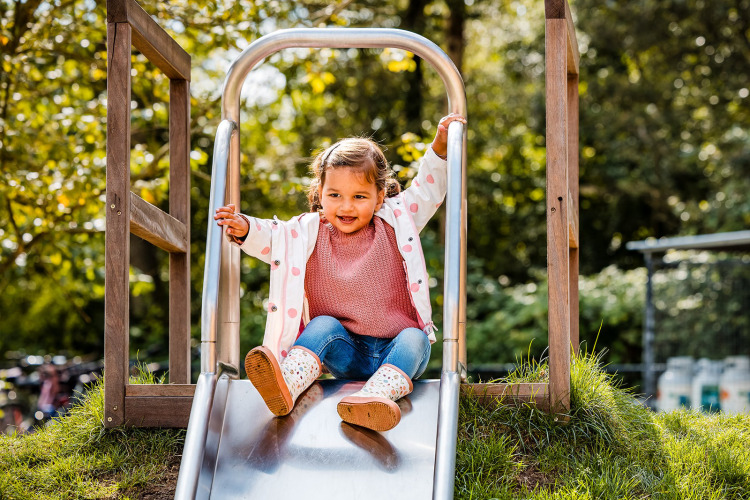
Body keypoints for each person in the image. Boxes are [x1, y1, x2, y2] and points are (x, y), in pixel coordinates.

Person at [214, 113, 466, 432]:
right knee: (322, 325)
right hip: (346, 354)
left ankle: (375, 398)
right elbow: (273, 236)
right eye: (335, 195)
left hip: (398, 354)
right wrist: (246, 227)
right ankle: (287, 386)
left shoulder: (397, 220)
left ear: (379, 196)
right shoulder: (308, 232)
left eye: (359, 197)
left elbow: (427, 192)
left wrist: (440, 150)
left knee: (417, 337)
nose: (346, 206)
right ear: (320, 192)